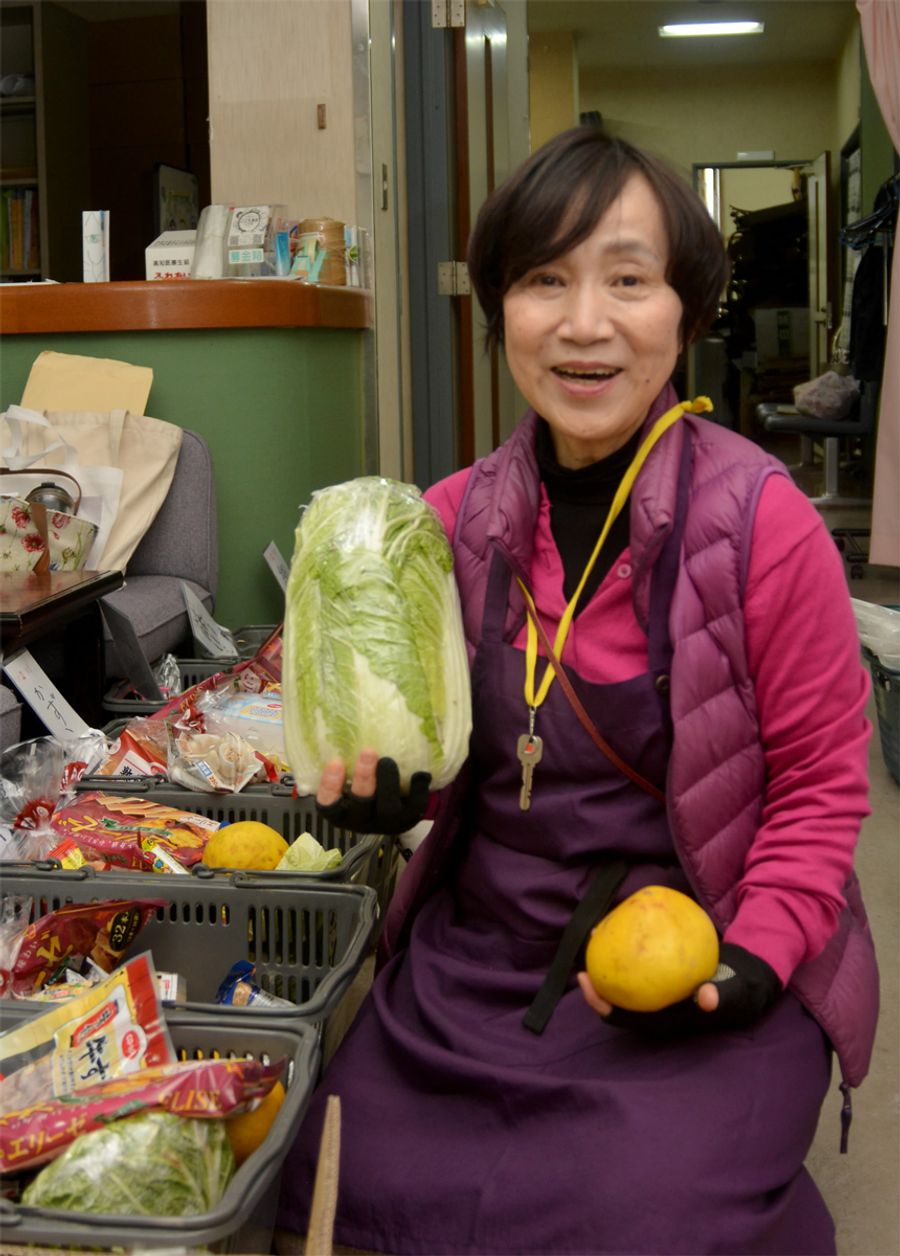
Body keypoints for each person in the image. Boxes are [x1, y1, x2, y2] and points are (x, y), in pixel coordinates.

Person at [276, 127, 878, 1256]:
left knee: (636, 1217)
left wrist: (758, 951)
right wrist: (379, 799)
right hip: (484, 956)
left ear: (685, 312)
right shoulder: (444, 525)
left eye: (629, 280)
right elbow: (430, 765)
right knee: (331, 1174)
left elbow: (819, 785)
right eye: (545, 278)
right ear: (500, 307)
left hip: (698, 958)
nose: (585, 323)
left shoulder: (762, 523)